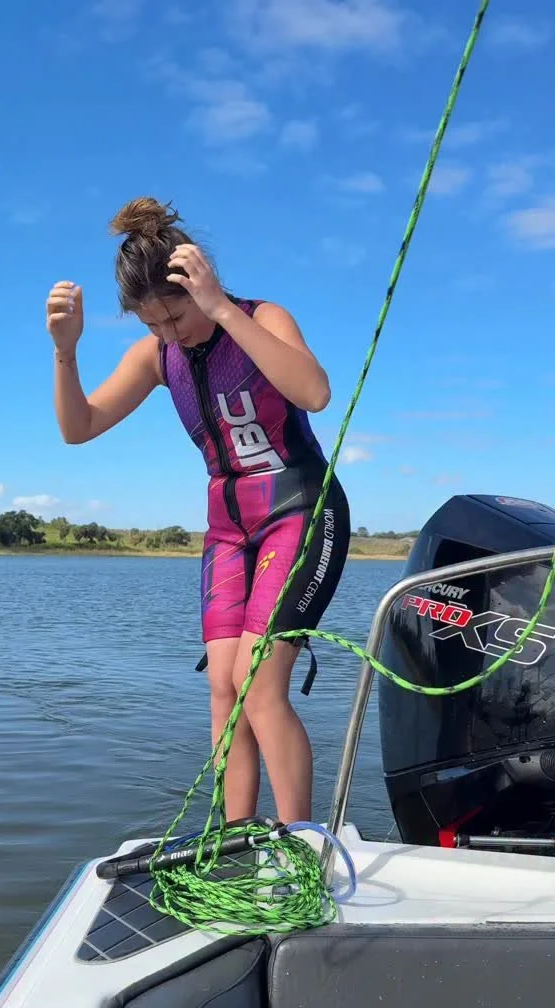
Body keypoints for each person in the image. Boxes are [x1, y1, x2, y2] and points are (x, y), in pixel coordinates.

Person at [46, 197, 350, 824]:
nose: (170, 333)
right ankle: (234, 839)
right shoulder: (156, 356)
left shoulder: (261, 317)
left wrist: (220, 310)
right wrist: (65, 351)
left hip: (299, 508)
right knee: (222, 689)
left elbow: (315, 392)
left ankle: (299, 841)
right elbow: (79, 428)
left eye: (178, 315)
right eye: (152, 323)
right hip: (228, 529)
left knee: (259, 684)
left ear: (199, 287)